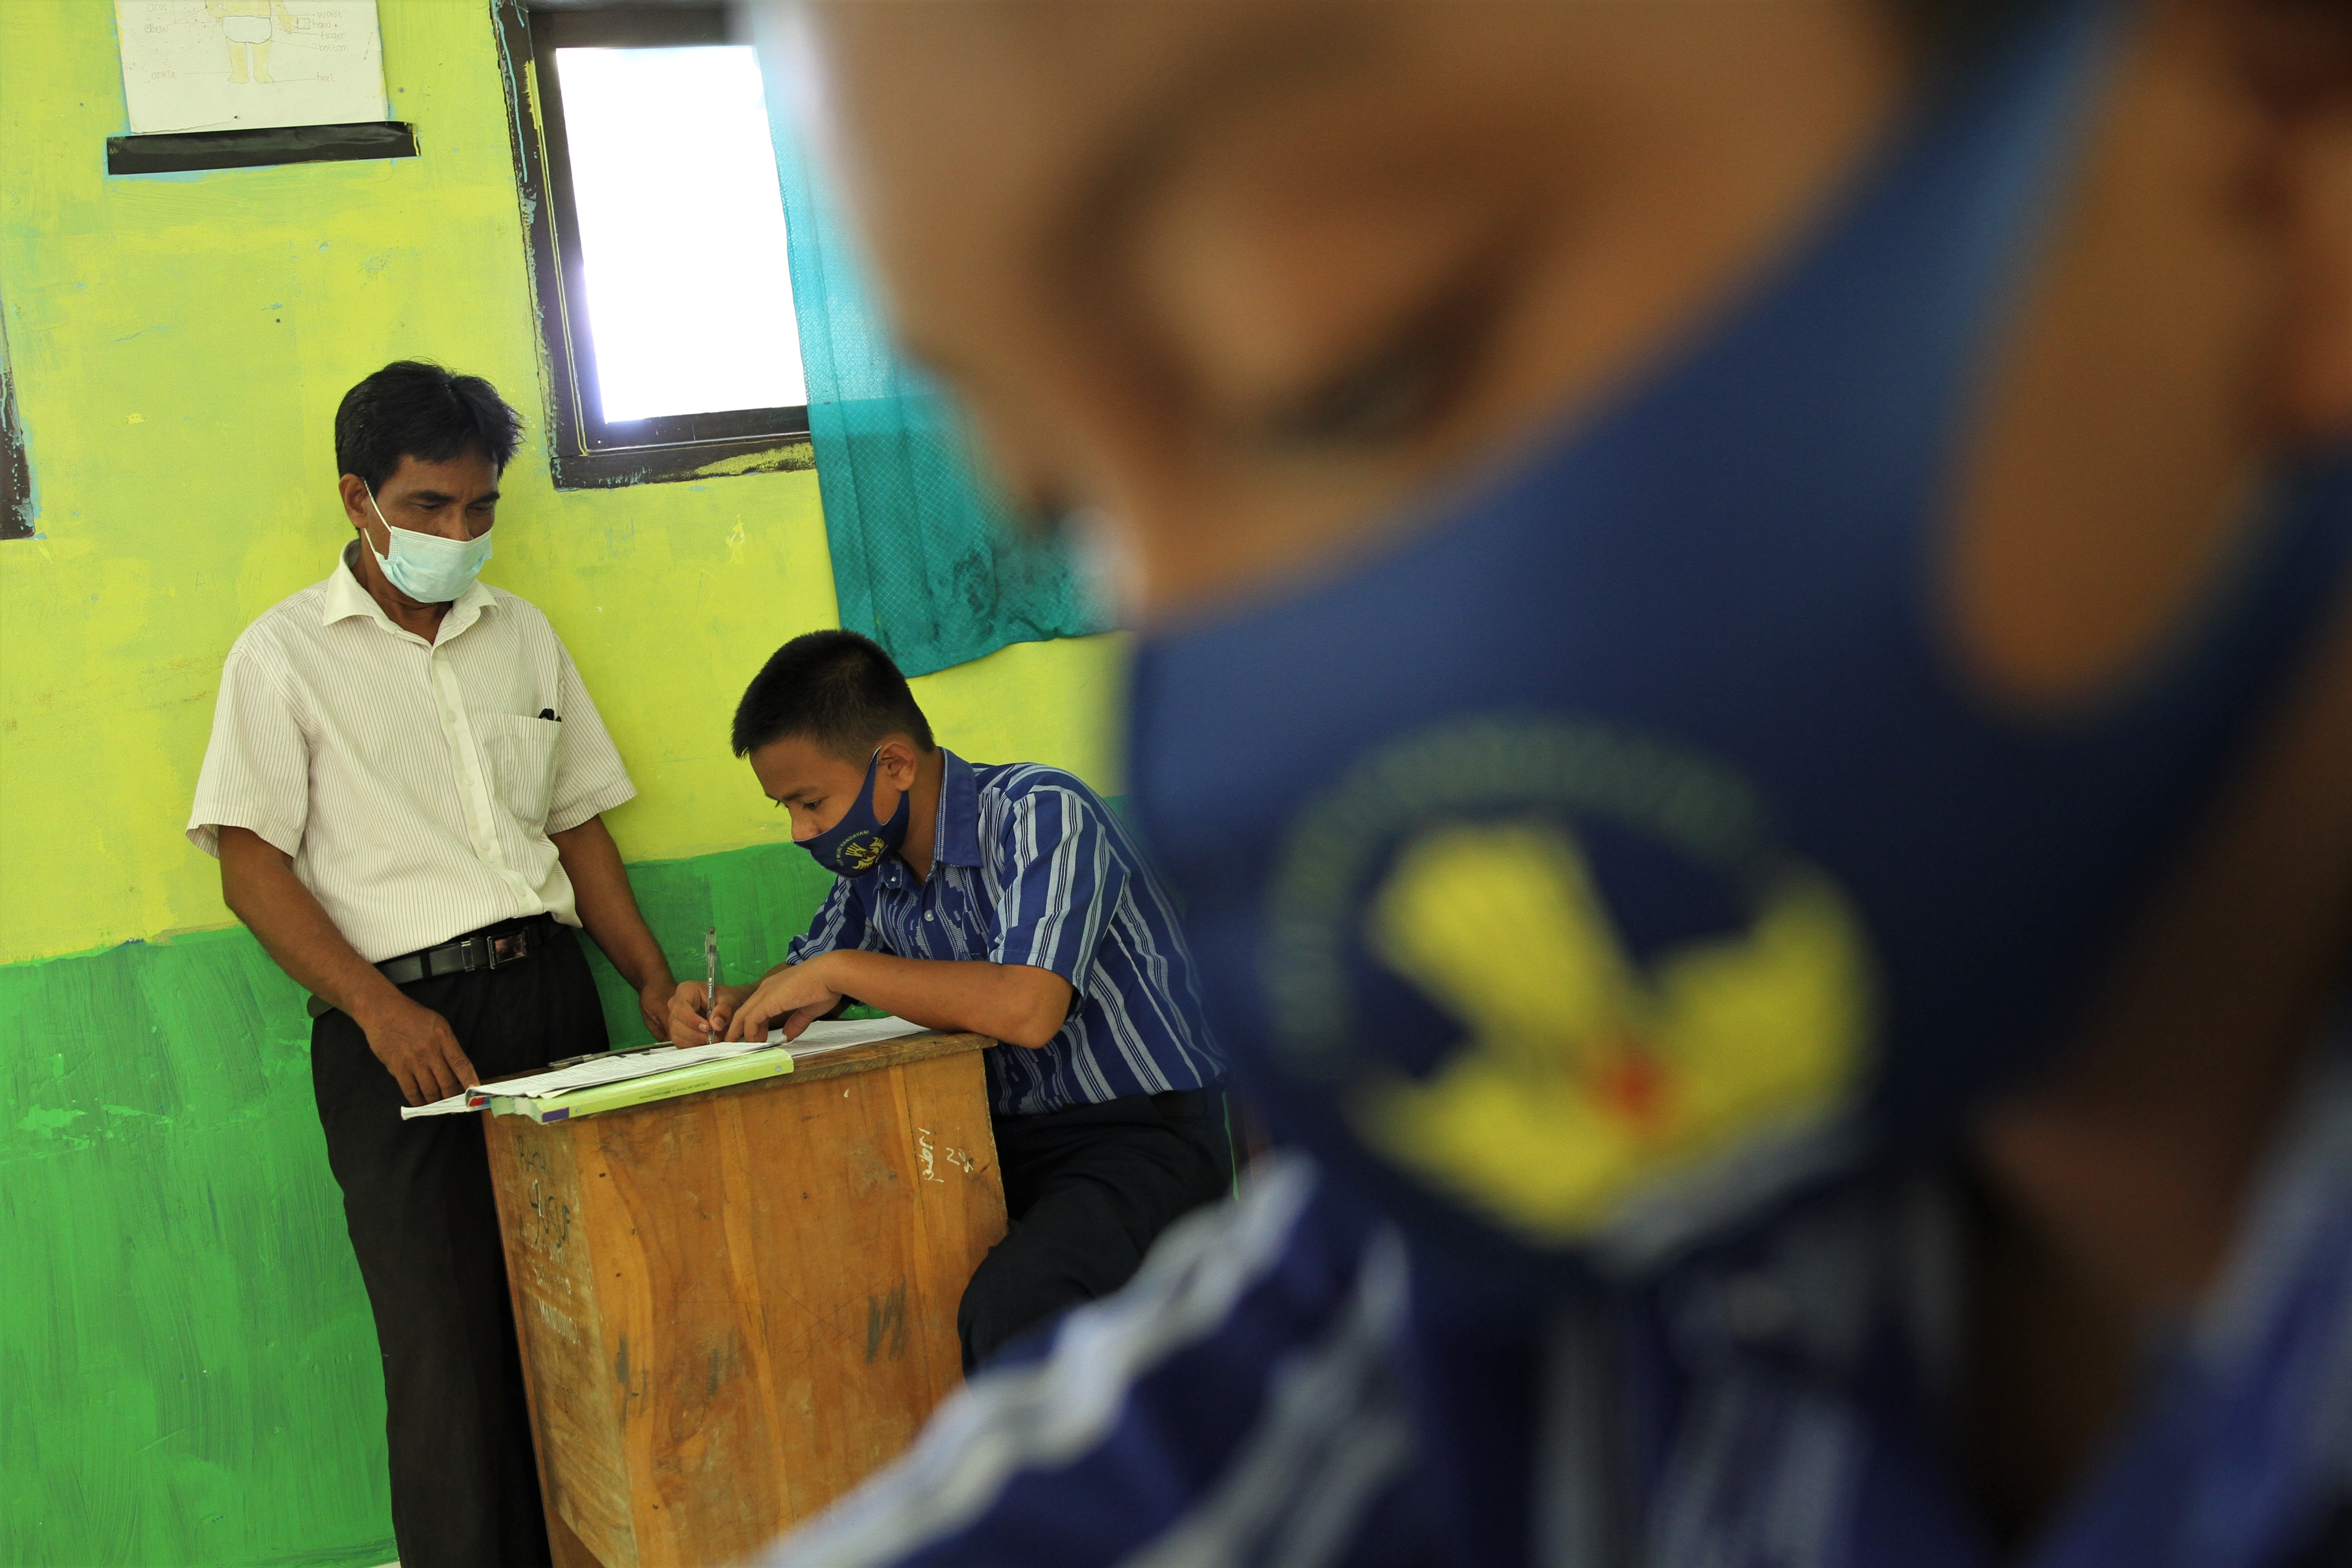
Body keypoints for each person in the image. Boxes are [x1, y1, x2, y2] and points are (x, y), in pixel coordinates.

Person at [745, 0, 2352, 1564]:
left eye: (1336, 369)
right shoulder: (1613, 1248)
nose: (1209, 684)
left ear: (2285, 147)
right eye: (1066, 501)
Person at [187, 361, 676, 1568]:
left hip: (551, 998)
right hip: (399, 1032)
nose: (458, 535)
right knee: (448, 1357)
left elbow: (580, 830)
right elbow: (252, 869)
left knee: (587, 1328)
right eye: (427, 509)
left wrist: (654, 987)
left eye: (480, 509)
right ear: (359, 498)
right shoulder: (284, 656)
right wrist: (374, 1010)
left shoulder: (524, 638)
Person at [670, 629, 1230, 1371]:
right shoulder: (875, 866)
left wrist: (844, 972)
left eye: (810, 802)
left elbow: (1027, 1009)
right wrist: (732, 1002)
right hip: (996, 1143)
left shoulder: (1042, 815)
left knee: (1018, 1304)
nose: (802, 831)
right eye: (788, 810)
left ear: (895, 764)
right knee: (857, 1277)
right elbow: (807, 975)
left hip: (1141, 1138)